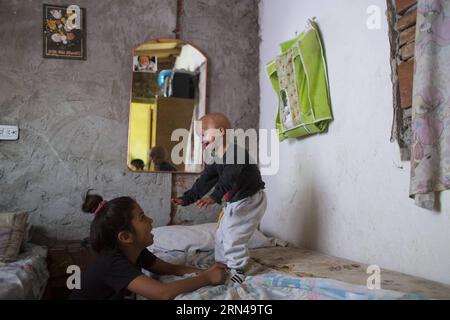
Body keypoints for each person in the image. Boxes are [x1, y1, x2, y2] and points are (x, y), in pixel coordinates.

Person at [69, 191, 226, 300]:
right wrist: (207, 278)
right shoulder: (113, 264)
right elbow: (162, 293)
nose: (151, 220)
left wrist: (205, 271)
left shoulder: (136, 252)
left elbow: (170, 269)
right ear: (125, 237)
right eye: (142, 217)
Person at [171, 113, 266, 284]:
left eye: (204, 134)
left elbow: (229, 178)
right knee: (222, 233)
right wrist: (187, 198)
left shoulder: (236, 152)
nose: (201, 139)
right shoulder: (217, 157)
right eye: (200, 136)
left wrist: (214, 197)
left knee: (233, 235)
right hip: (235, 201)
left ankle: (238, 268)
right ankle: (223, 264)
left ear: (221, 132)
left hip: (250, 200)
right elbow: (205, 180)